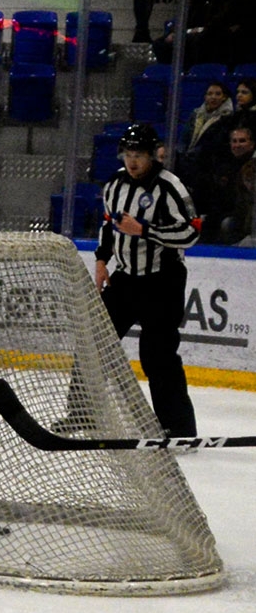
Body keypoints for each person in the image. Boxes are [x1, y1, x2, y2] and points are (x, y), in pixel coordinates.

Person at [85, 124, 199, 437]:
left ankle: (178, 429)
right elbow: (109, 225)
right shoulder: (115, 184)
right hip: (125, 280)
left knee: (158, 355)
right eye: (129, 154)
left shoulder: (170, 186)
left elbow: (191, 232)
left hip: (162, 282)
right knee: (94, 341)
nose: (133, 161)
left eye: (139, 155)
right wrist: (101, 259)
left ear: (152, 155)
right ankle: (82, 413)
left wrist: (146, 231)